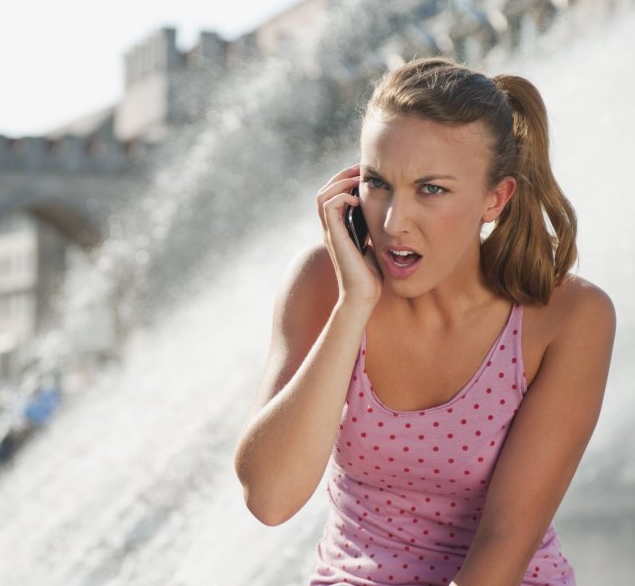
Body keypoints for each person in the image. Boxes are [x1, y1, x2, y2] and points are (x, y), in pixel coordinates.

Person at [233, 57, 615, 585]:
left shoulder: (570, 318)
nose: (393, 222)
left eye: (431, 189)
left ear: (494, 198)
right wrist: (353, 307)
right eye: (378, 183)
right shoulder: (324, 283)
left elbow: (505, 539)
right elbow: (270, 499)